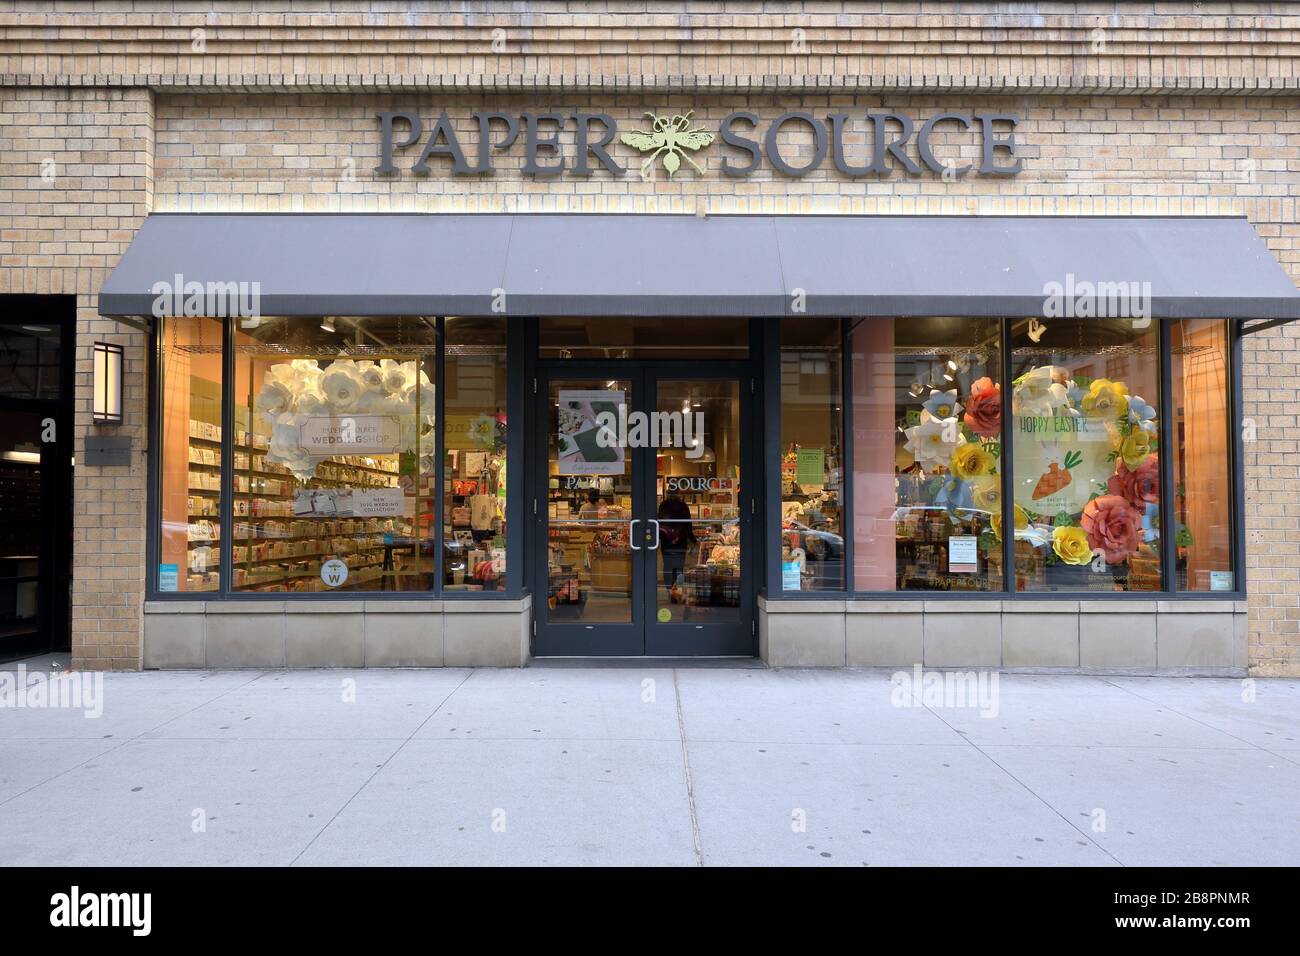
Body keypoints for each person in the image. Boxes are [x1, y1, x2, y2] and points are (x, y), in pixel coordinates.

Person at [656, 496, 696, 595]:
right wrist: (693, 539)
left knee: (668, 567)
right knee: (679, 567)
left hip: (666, 541)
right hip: (680, 541)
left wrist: (657, 538)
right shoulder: (683, 506)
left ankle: (670, 590)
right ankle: (678, 590)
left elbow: (659, 522)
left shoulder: (663, 505)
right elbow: (688, 525)